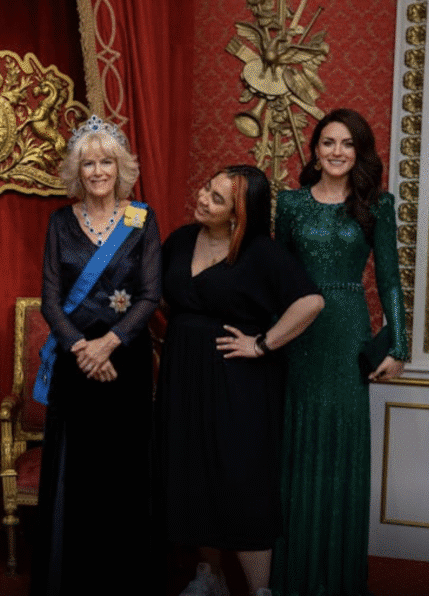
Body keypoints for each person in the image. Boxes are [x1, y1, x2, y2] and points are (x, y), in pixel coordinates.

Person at [157, 165, 324, 596]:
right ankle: (209, 577)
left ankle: (259, 590)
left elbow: (310, 302)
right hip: (183, 378)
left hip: (239, 383)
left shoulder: (261, 253)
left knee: (241, 480)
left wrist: (262, 344)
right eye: (205, 188)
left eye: (216, 198)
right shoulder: (178, 240)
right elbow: (156, 297)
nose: (202, 198)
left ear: (239, 214)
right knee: (194, 475)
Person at [270, 109, 407, 596]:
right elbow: (276, 277)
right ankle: (292, 577)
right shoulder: (289, 204)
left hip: (348, 329)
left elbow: (389, 280)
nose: (336, 152)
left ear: (360, 152)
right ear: (314, 149)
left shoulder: (377, 205)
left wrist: (399, 345)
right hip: (298, 333)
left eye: (347, 144)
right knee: (296, 442)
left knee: (341, 450)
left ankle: (338, 579)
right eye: (328, 142)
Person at [30, 116, 161, 596]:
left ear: (121, 167)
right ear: (76, 171)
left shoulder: (141, 219)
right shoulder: (60, 222)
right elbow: (48, 297)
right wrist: (83, 348)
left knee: (122, 474)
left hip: (125, 361)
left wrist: (111, 343)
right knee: (76, 474)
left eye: (107, 161)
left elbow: (150, 295)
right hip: (76, 361)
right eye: (89, 163)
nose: (99, 171)